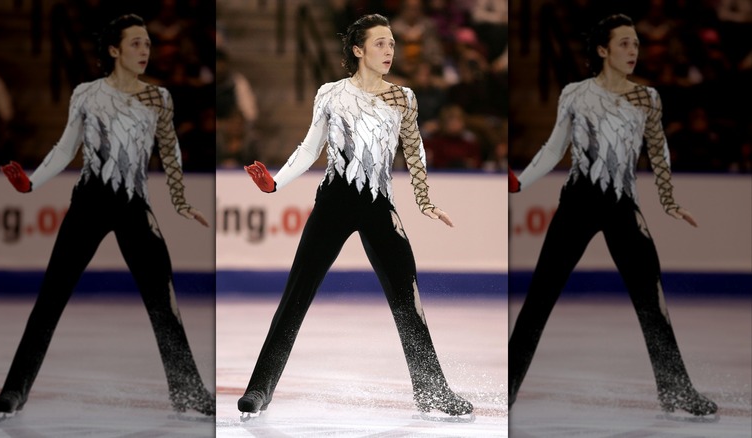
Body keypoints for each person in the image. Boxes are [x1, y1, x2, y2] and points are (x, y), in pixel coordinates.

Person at [239, 13, 473, 420]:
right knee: (296, 296)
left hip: (379, 206)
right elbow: (310, 149)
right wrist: (275, 184)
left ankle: (432, 391)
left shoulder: (403, 97)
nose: (389, 51)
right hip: (333, 203)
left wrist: (424, 200)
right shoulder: (330, 93)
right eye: (380, 43)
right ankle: (260, 388)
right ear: (358, 49)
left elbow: (414, 153)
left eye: (392, 44)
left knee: (407, 299)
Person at [0, 14, 215, 418]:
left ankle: (188, 391)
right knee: (50, 298)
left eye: (147, 44)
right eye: (135, 44)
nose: (144, 51)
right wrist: (31, 183)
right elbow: (65, 148)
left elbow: (170, 153)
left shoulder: (159, 98)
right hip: (89, 203)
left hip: (134, 205)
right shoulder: (86, 94)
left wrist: (180, 201)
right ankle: (15, 390)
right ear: (114, 50)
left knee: (163, 302)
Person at [507, 14, 717, 418]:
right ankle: (510, 388)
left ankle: (676, 390)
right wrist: (520, 184)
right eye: (624, 43)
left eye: (636, 44)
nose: (633, 51)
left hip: (623, 205)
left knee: (651, 300)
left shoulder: (648, 98)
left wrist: (668, 201)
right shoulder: (574, 93)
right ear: (602, 50)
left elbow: (658, 152)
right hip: (578, 203)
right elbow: (554, 148)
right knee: (539, 298)